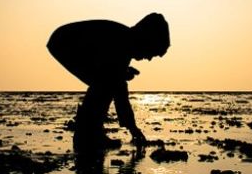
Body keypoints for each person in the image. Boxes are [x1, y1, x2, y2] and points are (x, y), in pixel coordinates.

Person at [47, 13, 170, 150]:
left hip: (65, 42)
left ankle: (90, 132)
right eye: (152, 52)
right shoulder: (122, 42)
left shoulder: (124, 43)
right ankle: (87, 134)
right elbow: (120, 92)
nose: (149, 58)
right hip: (64, 43)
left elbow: (113, 72)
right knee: (107, 82)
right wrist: (132, 128)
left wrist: (120, 73)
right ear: (146, 39)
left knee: (108, 79)